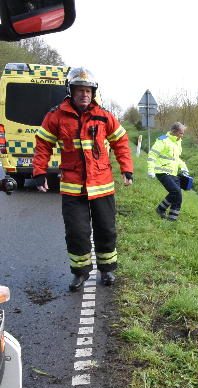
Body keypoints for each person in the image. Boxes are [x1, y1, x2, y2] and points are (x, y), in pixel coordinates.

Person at [32, 67, 133, 291]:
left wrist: (127, 169)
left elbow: (121, 141)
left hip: (102, 185)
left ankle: (106, 270)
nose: (84, 94)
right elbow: (43, 145)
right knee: (77, 233)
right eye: (80, 90)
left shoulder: (104, 115)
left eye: (88, 90)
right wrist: (39, 172)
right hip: (73, 187)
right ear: (71, 91)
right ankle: (80, 273)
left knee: (106, 230)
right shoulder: (56, 115)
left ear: (93, 93)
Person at [148, 122, 189, 221]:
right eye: (181, 133)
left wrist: (183, 167)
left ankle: (164, 212)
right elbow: (152, 155)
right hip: (162, 172)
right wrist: (150, 170)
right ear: (174, 131)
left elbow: (176, 159)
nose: (182, 135)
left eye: (183, 133)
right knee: (176, 192)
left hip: (173, 173)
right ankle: (168, 216)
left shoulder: (178, 142)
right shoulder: (163, 141)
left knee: (176, 194)